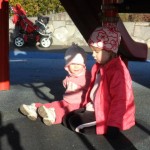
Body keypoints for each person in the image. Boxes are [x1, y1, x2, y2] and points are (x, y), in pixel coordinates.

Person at [63, 23, 135, 138]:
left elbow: (121, 100)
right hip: (96, 107)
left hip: (109, 115)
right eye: (93, 51)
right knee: (67, 117)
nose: (93, 55)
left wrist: (114, 125)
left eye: (97, 51)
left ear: (110, 51)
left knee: (74, 122)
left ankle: (104, 125)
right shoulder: (99, 66)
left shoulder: (118, 72)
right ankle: (88, 116)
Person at [19, 43, 91, 126]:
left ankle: (53, 115)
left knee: (66, 111)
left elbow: (91, 90)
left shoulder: (87, 76)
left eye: (79, 64)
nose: (76, 67)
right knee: (55, 104)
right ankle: (35, 108)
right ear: (67, 65)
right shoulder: (70, 75)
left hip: (79, 104)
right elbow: (66, 84)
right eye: (73, 64)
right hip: (66, 100)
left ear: (83, 64)